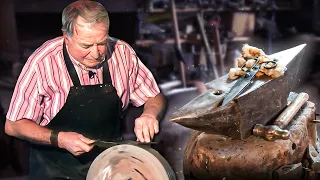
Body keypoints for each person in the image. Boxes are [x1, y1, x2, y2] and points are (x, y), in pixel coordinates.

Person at [4, 1, 166, 179]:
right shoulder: (43, 62)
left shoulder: (122, 53)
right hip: (54, 170)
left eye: (101, 43)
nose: (96, 54)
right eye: (86, 46)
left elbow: (154, 96)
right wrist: (60, 139)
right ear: (66, 36)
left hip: (108, 168)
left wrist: (150, 114)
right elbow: (14, 125)